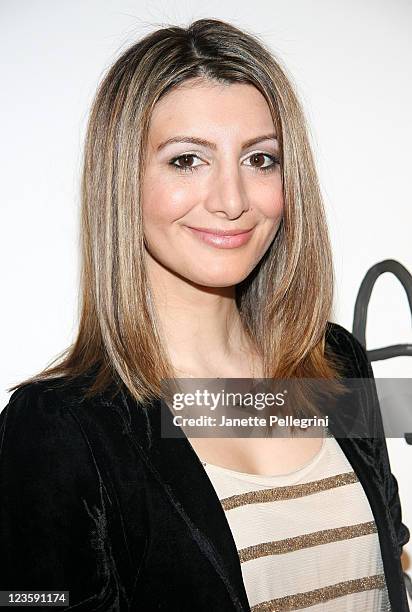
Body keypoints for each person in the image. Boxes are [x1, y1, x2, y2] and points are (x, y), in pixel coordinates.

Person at [0, 17, 409, 612]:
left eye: (260, 160)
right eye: (187, 160)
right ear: (123, 182)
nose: (232, 200)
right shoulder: (59, 429)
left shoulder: (334, 363)